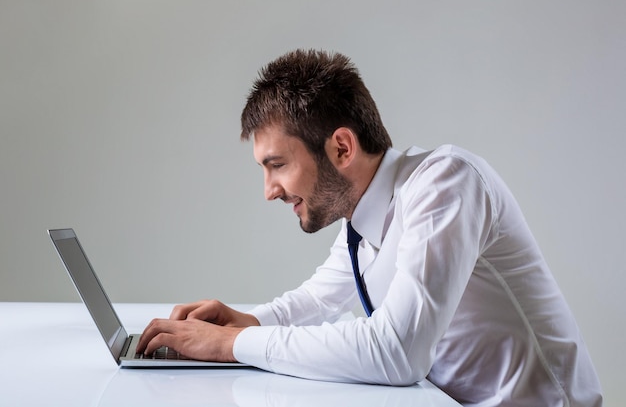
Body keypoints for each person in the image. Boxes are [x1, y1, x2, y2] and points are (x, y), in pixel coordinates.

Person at [137, 49, 603, 406]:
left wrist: (234, 345)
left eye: (277, 165)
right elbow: (321, 298)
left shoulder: (445, 183)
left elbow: (397, 351)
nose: (269, 190)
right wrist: (248, 321)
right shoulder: (362, 221)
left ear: (342, 147)